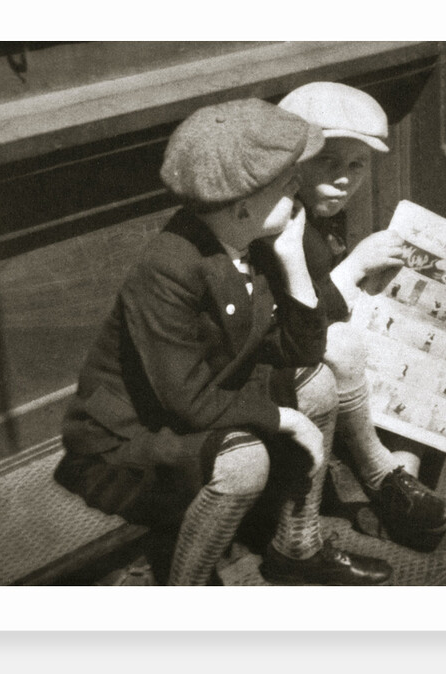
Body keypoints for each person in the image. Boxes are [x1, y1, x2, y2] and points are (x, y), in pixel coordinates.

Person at [54, 97, 394, 586]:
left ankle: (298, 547)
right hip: (132, 436)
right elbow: (186, 401)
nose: (299, 188)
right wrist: (282, 417)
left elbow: (301, 351)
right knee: (245, 462)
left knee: (316, 382)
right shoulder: (168, 269)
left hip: (212, 394)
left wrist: (294, 258)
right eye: (287, 183)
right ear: (241, 206)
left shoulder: (253, 239)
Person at [278, 82, 446, 549]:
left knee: (421, 358)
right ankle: (390, 487)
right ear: (290, 162)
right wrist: (356, 266)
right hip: (292, 372)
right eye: (328, 162)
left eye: (357, 165)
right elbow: (296, 322)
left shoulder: (324, 215)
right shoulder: (275, 223)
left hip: (343, 369)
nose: (344, 179)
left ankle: (399, 491)